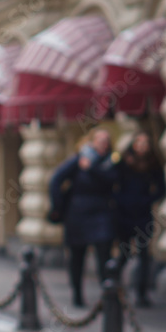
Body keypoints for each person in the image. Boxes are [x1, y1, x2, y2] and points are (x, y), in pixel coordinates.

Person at [48, 128, 119, 307]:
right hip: (77, 215)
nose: (103, 143)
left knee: (104, 255)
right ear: (92, 141)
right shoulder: (79, 159)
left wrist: (92, 168)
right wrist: (58, 207)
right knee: (77, 256)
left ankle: (107, 295)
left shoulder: (111, 161)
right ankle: (77, 293)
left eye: (106, 140)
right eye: (100, 139)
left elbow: (113, 181)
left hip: (102, 213)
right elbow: (56, 180)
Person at [115, 131, 166, 306]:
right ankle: (113, 286)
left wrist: (148, 199)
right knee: (124, 252)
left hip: (143, 214)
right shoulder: (123, 162)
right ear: (133, 144)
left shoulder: (153, 164)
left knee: (144, 255)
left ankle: (141, 293)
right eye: (139, 142)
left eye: (146, 142)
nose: (142, 146)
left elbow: (161, 188)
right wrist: (121, 200)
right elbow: (113, 184)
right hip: (125, 214)